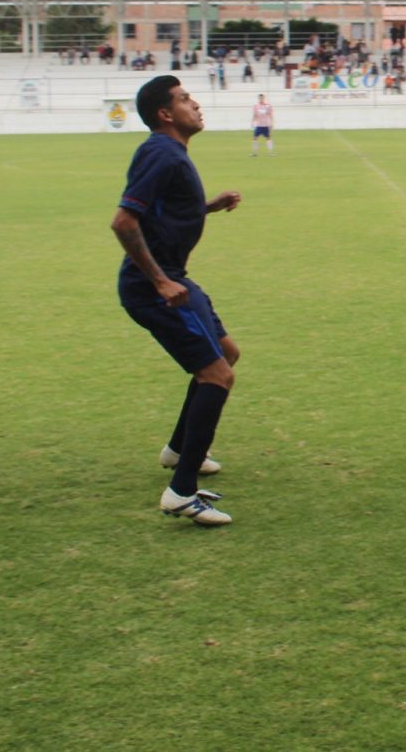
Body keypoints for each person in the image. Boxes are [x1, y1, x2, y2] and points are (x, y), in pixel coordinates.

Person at [112, 76, 243, 526]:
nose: (195, 104)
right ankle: (181, 492)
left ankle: (178, 451)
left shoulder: (170, 155)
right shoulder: (159, 152)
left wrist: (208, 206)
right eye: (185, 99)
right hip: (156, 287)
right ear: (165, 114)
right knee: (217, 375)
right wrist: (160, 282)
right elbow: (124, 221)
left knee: (226, 353)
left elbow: (163, 210)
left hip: (174, 278)